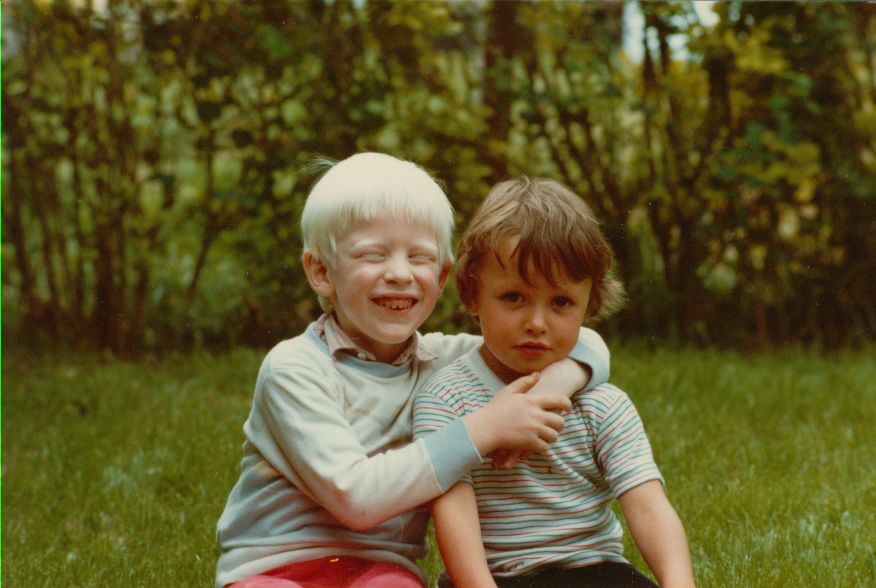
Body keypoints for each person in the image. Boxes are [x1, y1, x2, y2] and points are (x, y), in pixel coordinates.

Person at [215, 154, 614, 588]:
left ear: (442, 276)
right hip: (277, 566)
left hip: (381, 570)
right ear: (321, 271)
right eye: (373, 255)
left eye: (419, 257)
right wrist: (485, 427)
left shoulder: (442, 361)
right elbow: (355, 499)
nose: (400, 274)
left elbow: (587, 343)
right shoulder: (294, 368)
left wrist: (546, 390)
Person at [414, 178, 695, 588]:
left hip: (595, 572)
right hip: (494, 577)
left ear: (588, 305)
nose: (537, 323)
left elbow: (648, 505)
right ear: (473, 295)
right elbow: (453, 516)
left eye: (561, 302)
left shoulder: (602, 405)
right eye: (514, 297)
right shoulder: (445, 398)